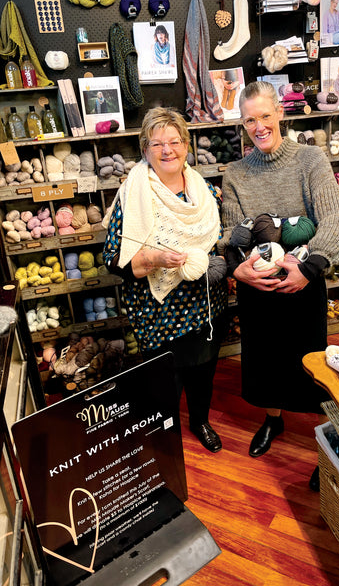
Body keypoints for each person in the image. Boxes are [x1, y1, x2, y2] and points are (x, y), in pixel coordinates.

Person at [220, 81, 339, 486]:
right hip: (258, 291)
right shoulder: (235, 174)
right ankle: (273, 421)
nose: (258, 126)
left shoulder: (310, 160)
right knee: (267, 362)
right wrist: (242, 268)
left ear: (280, 113)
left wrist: (307, 266)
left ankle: (327, 444)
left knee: (311, 364)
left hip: (303, 284)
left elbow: (333, 219)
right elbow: (230, 232)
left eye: (264, 116)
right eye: (249, 120)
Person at [103, 107, 228, 453]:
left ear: (186, 146)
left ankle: (200, 421)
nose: (167, 150)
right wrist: (154, 259)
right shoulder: (132, 196)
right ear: (145, 149)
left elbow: (217, 243)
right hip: (158, 312)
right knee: (164, 382)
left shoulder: (206, 193)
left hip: (204, 306)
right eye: (157, 144)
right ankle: (165, 435)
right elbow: (112, 259)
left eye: (174, 141)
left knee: (203, 372)